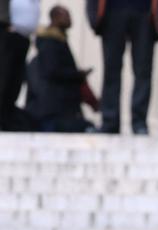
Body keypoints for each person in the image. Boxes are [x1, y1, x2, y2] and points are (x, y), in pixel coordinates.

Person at [85, 0, 158, 135]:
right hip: (112, 11)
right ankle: (109, 121)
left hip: (145, 12)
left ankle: (139, 123)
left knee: (143, 72)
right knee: (111, 72)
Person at [25, 5, 95, 132]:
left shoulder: (57, 41)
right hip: (51, 112)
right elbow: (52, 71)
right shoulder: (51, 43)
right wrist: (77, 75)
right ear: (55, 17)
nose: (70, 19)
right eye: (66, 15)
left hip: (56, 110)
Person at [1, 0, 40, 131]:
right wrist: (4, 21)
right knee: (4, 78)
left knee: (15, 81)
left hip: (22, 35)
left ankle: (7, 118)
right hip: (8, 31)